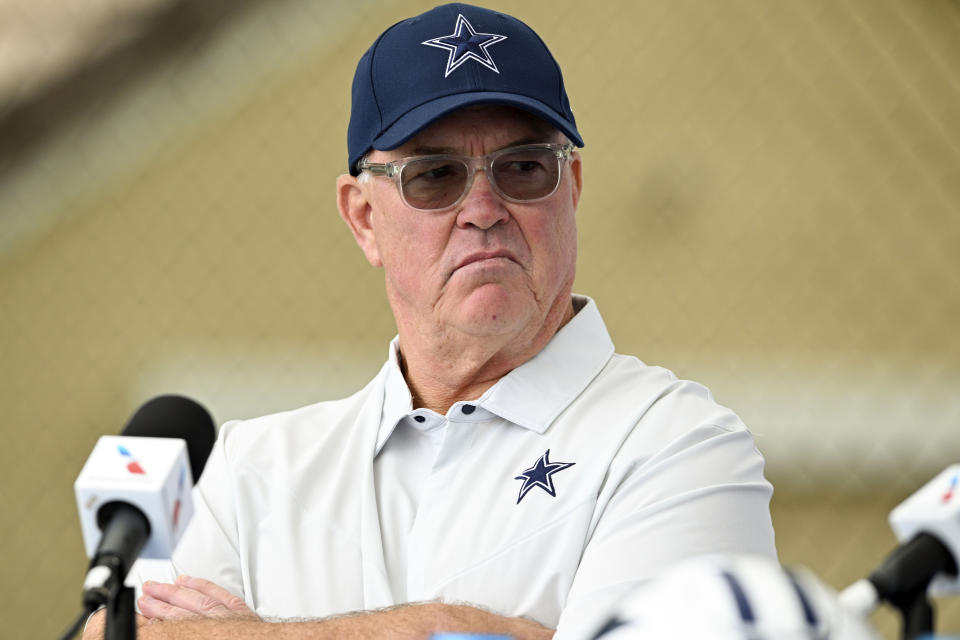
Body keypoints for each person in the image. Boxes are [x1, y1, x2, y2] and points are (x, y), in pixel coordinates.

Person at [83, 3, 776, 639]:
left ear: (573, 189)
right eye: (435, 176)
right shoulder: (248, 471)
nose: (483, 207)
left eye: (524, 168)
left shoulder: (678, 446)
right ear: (363, 218)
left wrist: (260, 634)